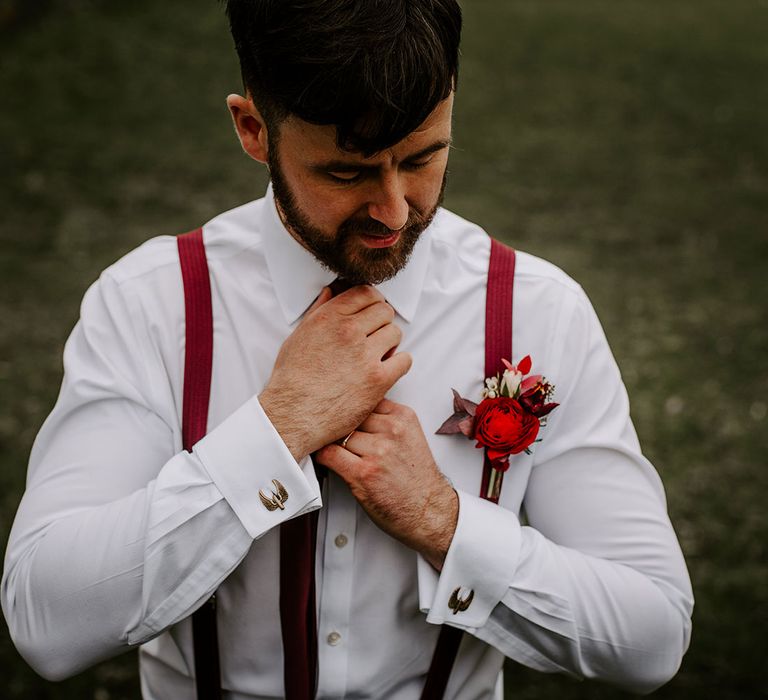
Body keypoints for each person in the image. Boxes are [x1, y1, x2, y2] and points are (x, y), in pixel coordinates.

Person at [2, 1, 693, 698]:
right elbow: (45, 620)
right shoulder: (150, 304)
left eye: (422, 158)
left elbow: (652, 635)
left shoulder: (538, 311)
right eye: (345, 173)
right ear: (253, 129)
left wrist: (442, 522)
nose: (394, 210)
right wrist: (275, 432)